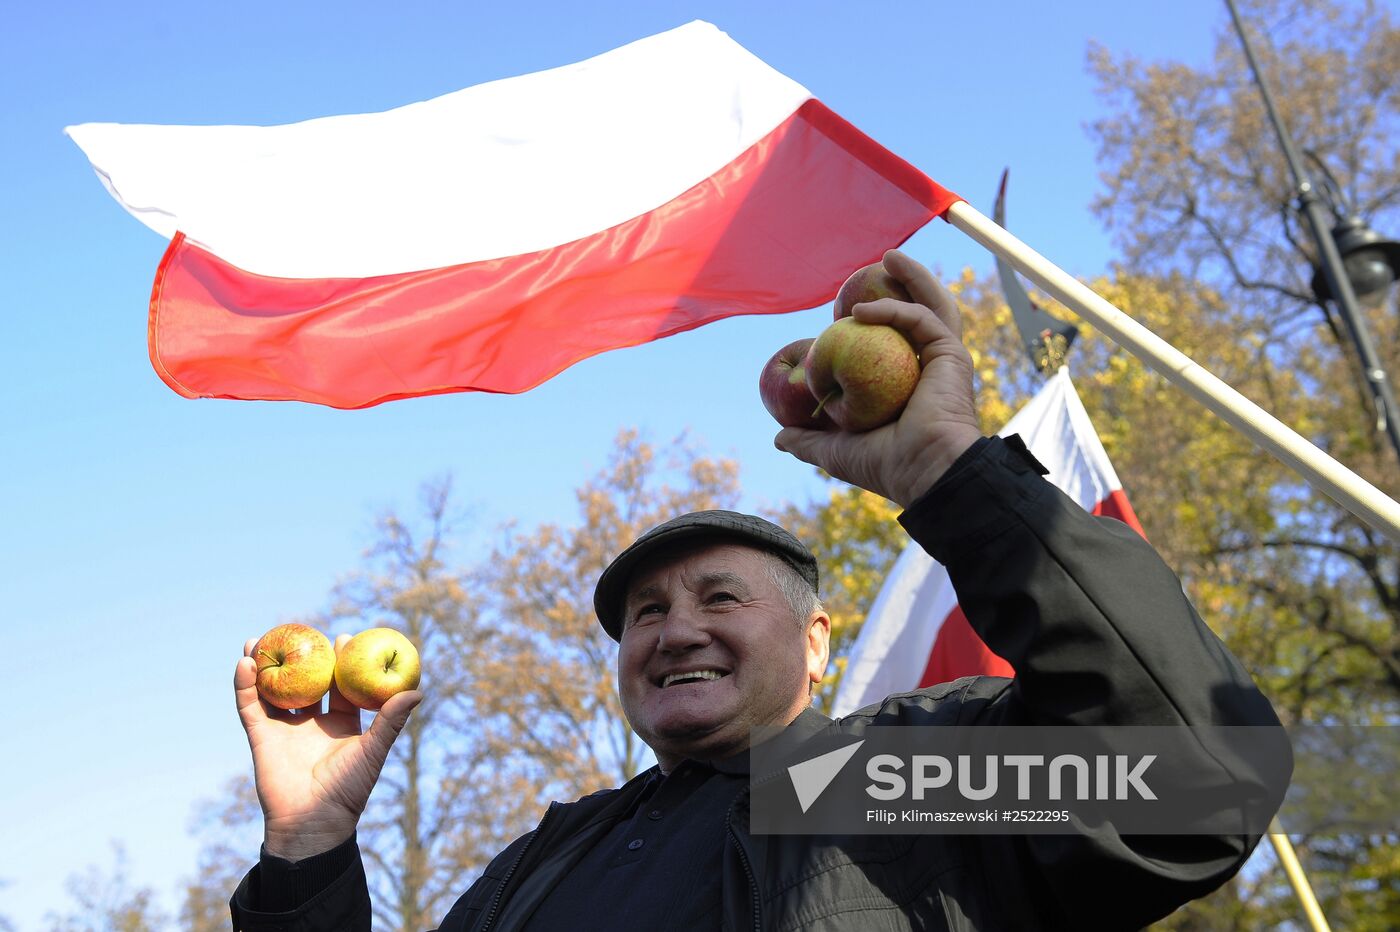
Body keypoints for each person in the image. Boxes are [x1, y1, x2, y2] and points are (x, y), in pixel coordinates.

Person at [229, 249, 1289, 930]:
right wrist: (308, 846)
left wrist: (950, 474)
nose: (675, 629)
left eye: (720, 598)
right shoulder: (543, 861)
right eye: (646, 613)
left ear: (817, 642)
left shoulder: (879, 781)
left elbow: (1194, 787)